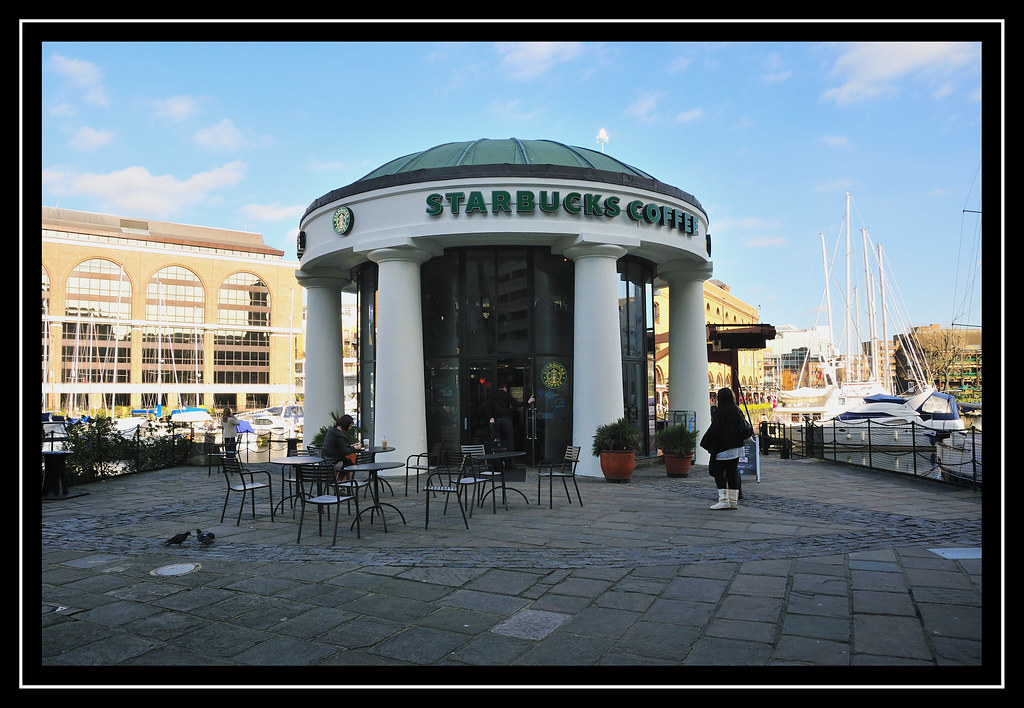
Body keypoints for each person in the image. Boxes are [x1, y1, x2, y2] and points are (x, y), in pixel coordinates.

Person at [699, 387, 752, 510]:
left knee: (717, 472)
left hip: (723, 448)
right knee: (732, 473)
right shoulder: (736, 409)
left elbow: (715, 430)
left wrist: (705, 442)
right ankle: (733, 501)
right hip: (737, 447)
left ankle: (723, 500)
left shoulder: (719, 412)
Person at [485, 384, 535, 448]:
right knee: (509, 440)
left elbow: (487, 407)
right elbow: (515, 404)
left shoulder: (491, 395)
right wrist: (528, 402)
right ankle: (509, 456)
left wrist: (491, 417)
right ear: (504, 388)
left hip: (496, 419)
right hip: (506, 419)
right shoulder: (506, 394)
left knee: (497, 439)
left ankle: (497, 454)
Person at [321, 414, 363, 481]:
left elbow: (338, 447)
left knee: (346, 463)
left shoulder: (332, 431)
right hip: (333, 462)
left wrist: (352, 446)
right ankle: (343, 485)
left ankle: (339, 484)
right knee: (351, 466)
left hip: (326, 461)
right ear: (346, 424)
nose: (351, 427)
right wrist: (355, 448)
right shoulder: (339, 436)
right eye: (351, 425)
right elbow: (345, 452)